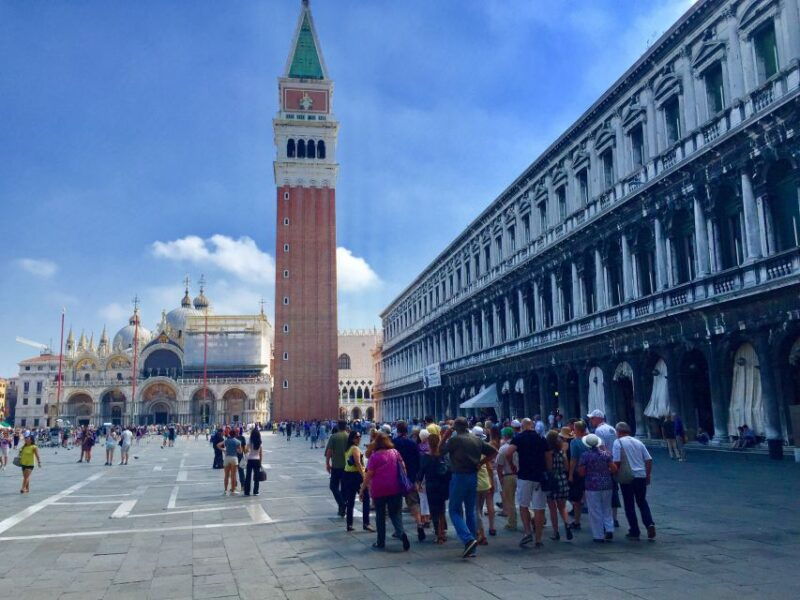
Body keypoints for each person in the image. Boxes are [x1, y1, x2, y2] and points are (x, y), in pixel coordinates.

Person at [441, 417, 497, 558]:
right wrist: (481, 462)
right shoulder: (476, 439)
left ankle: (468, 539)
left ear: (456, 428)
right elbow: (494, 451)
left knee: (454, 510)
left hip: (459, 476)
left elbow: (439, 451)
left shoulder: (455, 440)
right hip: (473, 476)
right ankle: (472, 546)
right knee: (471, 510)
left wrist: (445, 436)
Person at [359, 432, 409, 551]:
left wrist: (362, 489)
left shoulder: (375, 456)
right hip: (395, 487)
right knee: (395, 513)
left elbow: (368, 474)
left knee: (380, 516)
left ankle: (380, 541)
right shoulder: (395, 452)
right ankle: (402, 534)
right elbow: (403, 468)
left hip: (379, 489)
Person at [506, 418, 551, 549]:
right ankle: (538, 539)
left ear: (522, 426)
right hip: (539, 476)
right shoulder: (541, 438)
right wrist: (548, 470)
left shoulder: (519, 438)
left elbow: (509, 452)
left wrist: (512, 465)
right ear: (532, 426)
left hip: (524, 475)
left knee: (524, 505)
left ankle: (527, 532)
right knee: (539, 507)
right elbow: (548, 456)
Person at [612, 422, 656, 541]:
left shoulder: (618, 442)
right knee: (642, 502)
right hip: (641, 475)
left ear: (618, 432)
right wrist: (647, 475)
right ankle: (649, 524)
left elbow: (616, 462)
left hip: (627, 476)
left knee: (629, 504)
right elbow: (648, 460)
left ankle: (634, 530)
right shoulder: (638, 442)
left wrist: (613, 473)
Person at [578, 433, 617, 542]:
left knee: (595, 510)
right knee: (607, 507)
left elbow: (581, 472)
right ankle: (609, 529)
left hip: (592, 485)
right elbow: (614, 469)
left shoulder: (585, 456)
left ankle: (598, 535)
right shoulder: (606, 454)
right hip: (606, 484)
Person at [392, 421, 425, 541]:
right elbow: (418, 461)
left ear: (397, 430)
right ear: (407, 430)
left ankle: (399, 530)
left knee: (396, 505)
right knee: (414, 503)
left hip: (396, 477)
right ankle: (419, 524)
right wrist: (417, 478)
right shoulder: (412, 443)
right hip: (410, 477)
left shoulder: (394, 443)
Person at [588, 410, 620, 527]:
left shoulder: (598, 430)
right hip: (615, 462)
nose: (590, 421)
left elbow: (600, 448)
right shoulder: (612, 429)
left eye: (592, 418)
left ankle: (607, 520)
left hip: (606, 464)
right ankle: (614, 518)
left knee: (604, 494)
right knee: (614, 492)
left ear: (597, 418)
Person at [417, 432, 450, 544]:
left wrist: (418, 483)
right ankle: (443, 532)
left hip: (431, 486)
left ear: (428, 443)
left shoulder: (425, 457)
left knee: (434, 510)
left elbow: (421, 473)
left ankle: (438, 534)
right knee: (441, 509)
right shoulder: (442, 455)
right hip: (443, 485)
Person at [342, 430, 372, 531]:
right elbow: (358, 463)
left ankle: (349, 524)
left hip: (347, 475)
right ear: (352, 438)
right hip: (356, 476)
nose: (359, 439)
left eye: (359, 436)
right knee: (366, 498)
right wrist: (364, 477)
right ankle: (366, 523)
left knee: (350, 500)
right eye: (357, 437)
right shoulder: (355, 448)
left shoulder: (348, 448)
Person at [546, 429, 573, 541]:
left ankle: (555, 532)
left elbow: (549, 468)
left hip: (552, 482)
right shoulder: (562, 452)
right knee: (562, 507)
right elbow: (567, 467)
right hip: (563, 480)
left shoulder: (549, 453)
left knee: (552, 509)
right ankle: (567, 523)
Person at [472, 426, 496, 545]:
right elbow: (490, 466)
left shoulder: (473, 450)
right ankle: (479, 531)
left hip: (476, 483)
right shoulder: (484, 449)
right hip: (485, 482)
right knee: (479, 509)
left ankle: (481, 534)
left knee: (476, 510)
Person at [496, 426, 518, 531]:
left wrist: (500, 479)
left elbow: (499, 466)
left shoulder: (503, 448)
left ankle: (512, 523)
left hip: (508, 475)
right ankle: (531, 516)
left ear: (504, 436)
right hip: (519, 475)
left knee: (510, 501)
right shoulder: (518, 446)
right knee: (523, 501)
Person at [325, 420, 349, 517]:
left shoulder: (334, 437)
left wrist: (327, 463)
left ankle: (342, 504)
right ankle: (342, 509)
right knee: (344, 488)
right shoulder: (349, 436)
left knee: (333, 486)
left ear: (338, 426)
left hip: (336, 466)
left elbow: (329, 451)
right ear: (346, 426)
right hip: (347, 467)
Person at [568, 421, 588, 531]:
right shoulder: (590, 440)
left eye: (574, 428)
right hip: (590, 471)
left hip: (578, 472)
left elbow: (573, 459)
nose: (572, 430)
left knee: (576, 500)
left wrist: (570, 474)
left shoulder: (574, 442)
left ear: (577, 430)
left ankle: (577, 521)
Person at [218, 429, 241, 495]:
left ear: (229, 434)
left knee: (226, 475)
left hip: (227, 458)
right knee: (233, 476)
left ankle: (225, 490)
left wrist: (223, 450)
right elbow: (240, 451)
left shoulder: (226, 441)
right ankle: (233, 490)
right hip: (234, 458)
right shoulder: (238, 441)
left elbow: (218, 445)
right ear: (235, 435)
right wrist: (236, 449)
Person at [243, 427, 263, 496]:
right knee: (256, 476)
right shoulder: (260, 442)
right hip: (257, 460)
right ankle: (256, 491)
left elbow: (245, 450)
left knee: (248, 476)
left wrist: (248, 450)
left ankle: (247, 492)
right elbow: (261, 454)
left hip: (250, 460)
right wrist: (260, 463)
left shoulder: (250, 441)